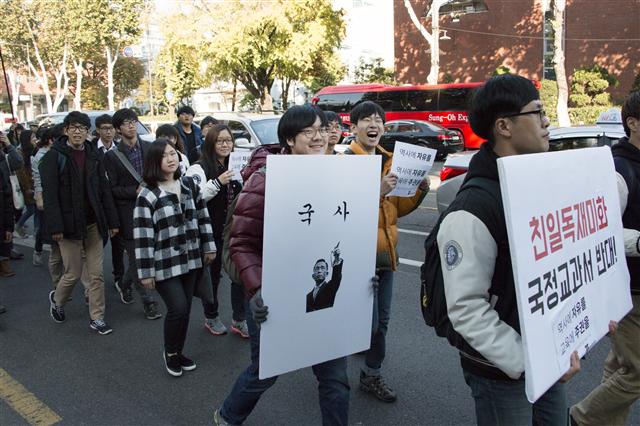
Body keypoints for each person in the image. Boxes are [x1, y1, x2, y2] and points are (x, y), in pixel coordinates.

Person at [434, 74, 583, 425]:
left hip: (546, 356)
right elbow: (468, 309)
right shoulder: (473, 209)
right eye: (537, 112)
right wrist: (527, 361)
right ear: (504, 126)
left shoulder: (536, 185)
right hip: (500, 371)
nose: (547, 122)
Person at [215, 105, 351, 426]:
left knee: (334, 378)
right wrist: (259, 289)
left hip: (321, 295)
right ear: (289, 139)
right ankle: (228, 416)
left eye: (322, 129)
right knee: (266, 371)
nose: (319, 137)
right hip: (273, 294)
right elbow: (241, 243)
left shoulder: (341, 175)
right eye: (309, 132)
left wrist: (358, 277)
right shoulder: (265, 180)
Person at [343, 100, 430, 403]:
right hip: (355, 260)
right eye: (366, 120)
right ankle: (334, 373)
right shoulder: (343, 163)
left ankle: (371, 374)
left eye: (379, 120)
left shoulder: (390, 160)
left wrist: (417, 190)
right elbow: (341, 212)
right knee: (363, 323)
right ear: (352, 127)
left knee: (381, 322)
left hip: (385, 256)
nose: (374, 125)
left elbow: (395, 210)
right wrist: (376, 191)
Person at [569, 91, 640, 426]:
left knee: (621, 365)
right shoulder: (619, 170)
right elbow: (600, 232)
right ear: (633, 123)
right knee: (637, 372)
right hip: (629, 290)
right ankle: (583, 418)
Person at [133, 139, 216, 377]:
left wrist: (209, 247)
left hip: (191, 259)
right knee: (177, 307)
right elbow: (143, 236)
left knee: (187, 308)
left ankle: (178, 352)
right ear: (154, 161)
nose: (171, 159)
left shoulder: (188, 184)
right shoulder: (147, 195)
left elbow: (203, 217)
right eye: (165, 155)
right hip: (164, 263)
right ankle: (170, 353)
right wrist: (146, 272)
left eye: (174, 154)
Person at [41, 111, 120, 335]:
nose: (78, 131)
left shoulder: (95, 155)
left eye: (82, 128)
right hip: (68, 227)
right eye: (73, 127)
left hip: (94, 224)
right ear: (66, 130)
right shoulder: (53, 157)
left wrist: (112, 221)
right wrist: (55, 227)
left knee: (96, 274)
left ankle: (98, 318)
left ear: (88, 132)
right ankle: (57, 300)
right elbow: (50, 196)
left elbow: (104, 191)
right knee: (73, 274)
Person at [186, 124, 247, 338]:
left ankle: (239, 319)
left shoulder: (237, 164)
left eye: (228, 140)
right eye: (220, 141)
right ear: (210, 143)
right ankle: (211, 316)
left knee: (239, 275)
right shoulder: (199, 167)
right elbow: (194, 197)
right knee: (212, 277)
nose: (225, 145)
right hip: (209, 230)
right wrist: (218, 182)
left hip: (234, 229)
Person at [104, 108, 161, 320]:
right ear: (118, 129)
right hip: (128, 214)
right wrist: (133, 191)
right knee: (138, 261)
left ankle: (124, 283)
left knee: (148, 256)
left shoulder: (149, 147)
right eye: (126, 123)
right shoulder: (112, 156)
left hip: (152, 210)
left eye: (133, 121)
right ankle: (149, 302)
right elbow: (111, 189)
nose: (131, 125)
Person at [33, 124, 64, 269]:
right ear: (51, 140)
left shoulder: (63, 153)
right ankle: (38, 251)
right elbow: (38, 178)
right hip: (47, 198)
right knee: (47, 232)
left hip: (60, 198)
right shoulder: (40, 156)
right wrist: (39, 196)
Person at [0, 129, 24, 268]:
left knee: (9, 219)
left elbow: (18, 162)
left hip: (7, 193)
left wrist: (9, 145)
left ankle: (8, 247)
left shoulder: (5, 156)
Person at [306, 246, 343, 313]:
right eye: (317, 268)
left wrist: (336, 258)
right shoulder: (308, 296)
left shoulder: (330, 287)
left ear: (327, 273)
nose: (319, 271)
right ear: (313, 275)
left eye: (322, 268)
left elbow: (336, 278)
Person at [15, 130, 36, 238]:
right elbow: (21, 172)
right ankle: (18, 226)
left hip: (32, 184)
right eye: (32, 137)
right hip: (26, 186)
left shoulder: (31, 150)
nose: (35, 139)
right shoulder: (19, 152)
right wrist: (27, 188)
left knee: (34, 209)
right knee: (31, 209)